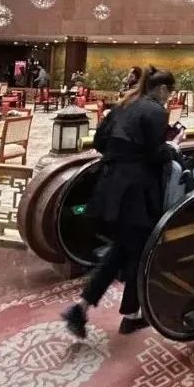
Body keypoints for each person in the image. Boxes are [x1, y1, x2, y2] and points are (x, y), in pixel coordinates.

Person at [61, 68, 185, 338]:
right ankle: (130, 315)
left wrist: (123, 157)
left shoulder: (124, 105)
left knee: (122, 250)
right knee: (140, 251)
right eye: (170, 92)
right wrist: (173, 146)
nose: (169, 97)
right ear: (162, 89)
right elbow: (155, 155)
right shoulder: (155, 111)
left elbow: (99, 141)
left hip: (110, 188)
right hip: (137, 193)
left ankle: (82, 308)